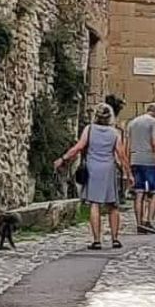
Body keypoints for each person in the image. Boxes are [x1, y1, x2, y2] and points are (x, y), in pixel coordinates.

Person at [54, 103, 133, 249]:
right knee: (113, 205)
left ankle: (97, 240)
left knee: (94, 204)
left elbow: (79, 147)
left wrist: (63, 158)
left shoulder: (89, 129)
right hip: (109, 169)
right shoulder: (115, 133)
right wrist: (129, 174)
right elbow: (121, 154)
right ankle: (115, 239)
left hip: (93, 169)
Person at [127, 102, 155, 234]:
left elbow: (127, 144)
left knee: (139, 192)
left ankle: (139, 223)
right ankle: (149, 221)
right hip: (150, 160)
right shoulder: (154, 123)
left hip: (135, 159)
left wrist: (127, 164)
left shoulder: (132, 123)